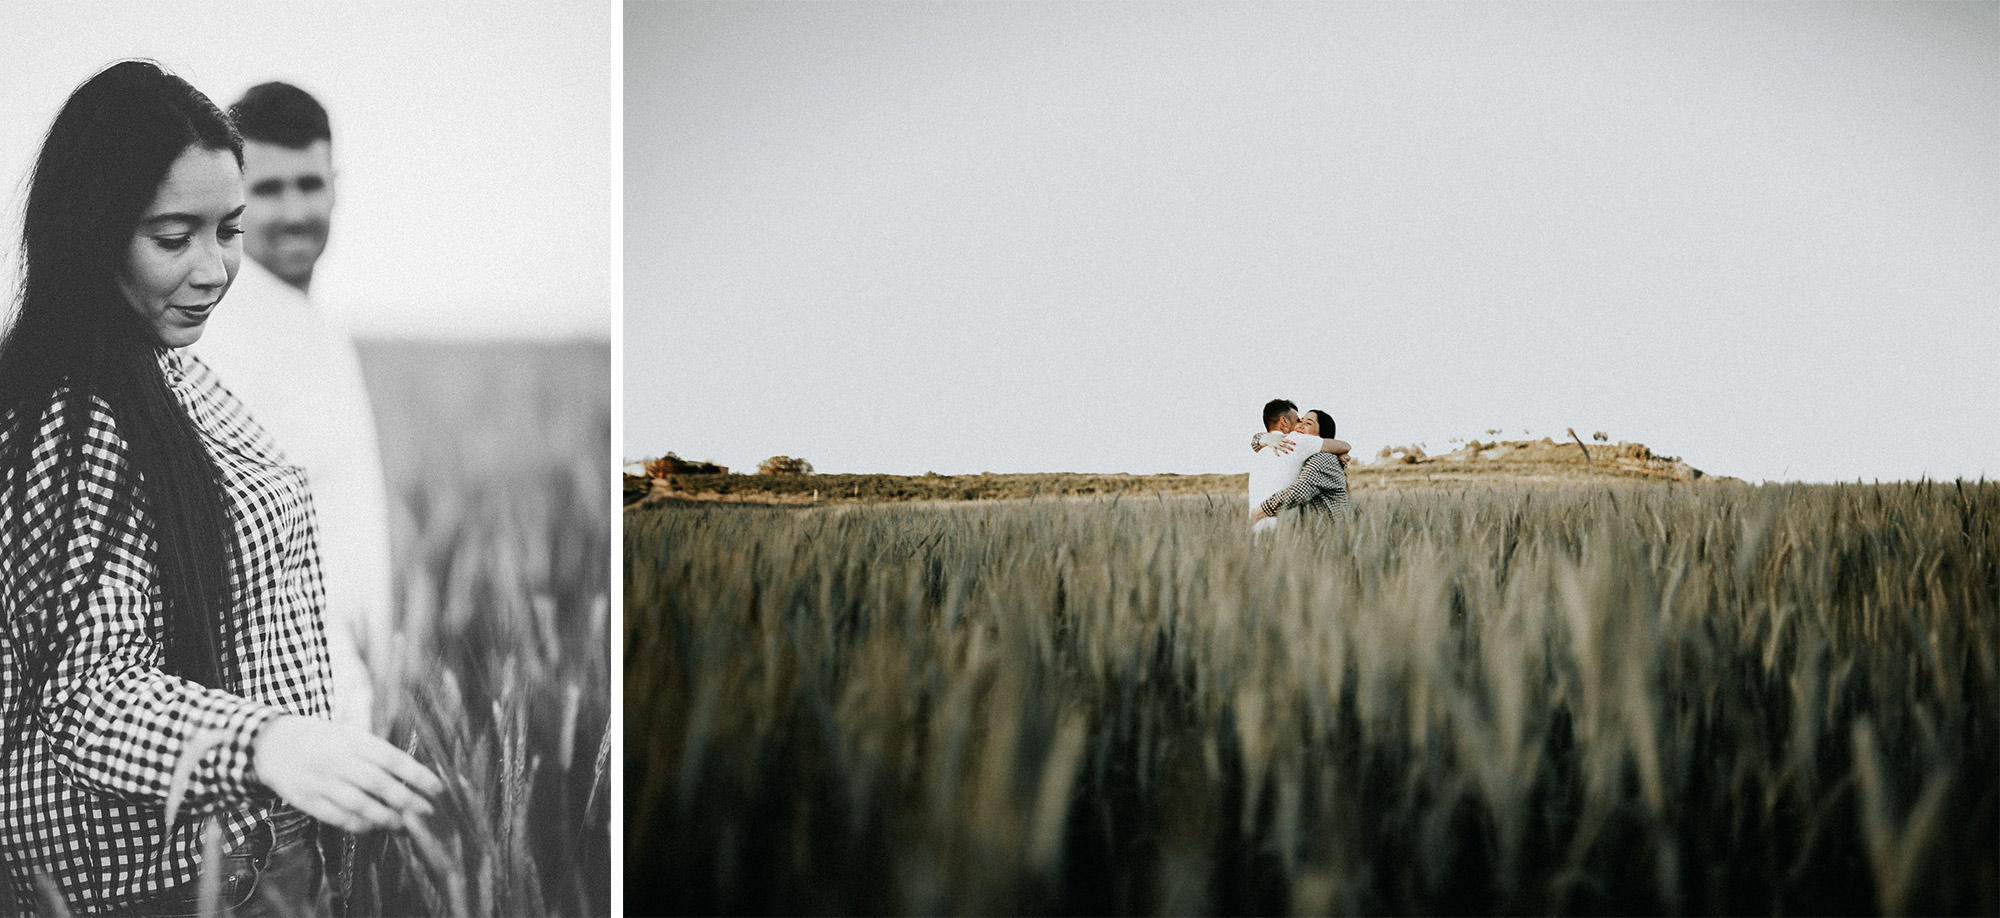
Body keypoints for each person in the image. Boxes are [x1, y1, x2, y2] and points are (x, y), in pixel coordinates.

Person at [0, 61, 440, 916]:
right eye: (174, 238)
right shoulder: (74, 417)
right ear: (94, 234)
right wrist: (269, 743)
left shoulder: (168, 370)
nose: (214, 271)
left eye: (227, 230)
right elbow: (88, 691)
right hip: (153, 883)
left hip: (242, 854)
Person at [191, 81, 389, 731]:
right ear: (233, 200)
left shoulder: (325, 333)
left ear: (337, 185)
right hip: (286, 727)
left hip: (348, 709)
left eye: (310, 184)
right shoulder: (214, 339)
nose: (295, 211)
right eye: (269, 190)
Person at [1248, 398, 1348, 533]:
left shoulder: (1321, 457)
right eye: (1299, 421)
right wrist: (1263, 438)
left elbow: (1298, 492)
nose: (1299, 426)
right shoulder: (1290, 446)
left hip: (1327, 538)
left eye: (1308, 423)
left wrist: (1257, 513)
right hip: (1308, 538)